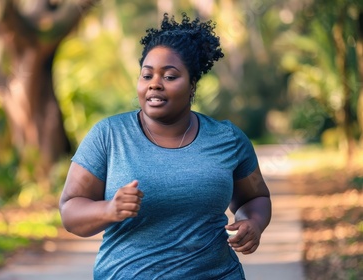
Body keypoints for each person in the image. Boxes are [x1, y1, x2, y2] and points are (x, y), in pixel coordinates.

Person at [59, 13, 272, 279]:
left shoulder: (228, 139)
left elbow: (255, 197)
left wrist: (254, 223)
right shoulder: (109, 135)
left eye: (170, 77)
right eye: (146, 75)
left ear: (192, 85)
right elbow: (70, 211)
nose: (155, 84)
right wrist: (108, 209)